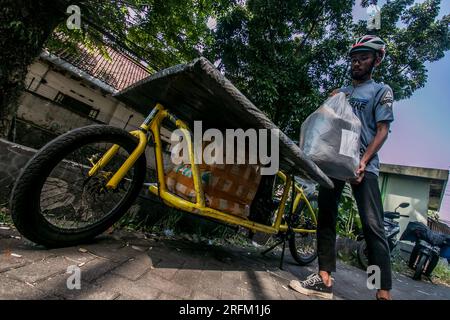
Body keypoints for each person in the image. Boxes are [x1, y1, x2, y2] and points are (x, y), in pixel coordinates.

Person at [289, 35, 395, 300]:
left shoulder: (381, 90)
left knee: (372, 226)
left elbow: (383, 131)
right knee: (326, 217)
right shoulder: (342, 93)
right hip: (335, 162)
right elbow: (326, 129)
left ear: (377, 59)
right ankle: (324, 279)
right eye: (354, 58)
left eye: (364, 57)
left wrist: (363, 161)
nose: (357, 62)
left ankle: (382, 291)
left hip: (364, 165)